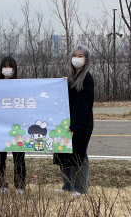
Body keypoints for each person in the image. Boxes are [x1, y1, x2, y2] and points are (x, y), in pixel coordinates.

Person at [54, 45, 94, 196]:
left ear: (86, 59)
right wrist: (61, 84)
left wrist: (74, 126)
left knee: (79, 155)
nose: (77, 58)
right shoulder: (70, 77)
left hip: (80, 124)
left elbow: (83, 105)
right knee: (64, 154)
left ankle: (80, 188)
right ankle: (68, 185)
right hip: (66, 123)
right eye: (75, 55)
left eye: (80, 56)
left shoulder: (87, 79)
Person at [0, 56, 26, 194]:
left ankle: (20, 185)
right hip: (0, 127)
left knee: (19, 156)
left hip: (17, 128)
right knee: (1, 157)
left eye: (10, 67)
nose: (7, 70)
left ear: (14, 69)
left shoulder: (20, 85)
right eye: (5, 66)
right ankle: (1, 184)